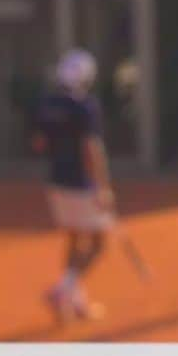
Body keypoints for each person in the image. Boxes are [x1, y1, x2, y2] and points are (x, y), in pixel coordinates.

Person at [31, 48, 115, 322]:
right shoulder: (86, 107)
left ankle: (75, 301)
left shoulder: (48, 105)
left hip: (57, 181)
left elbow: (39, 143)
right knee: (99, 242)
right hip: (82, 183)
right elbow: (92, 148)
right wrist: (103, 187)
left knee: (74, 238)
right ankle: (63, 290)